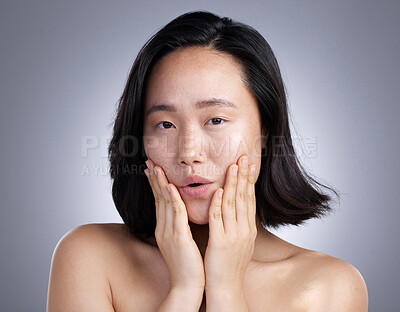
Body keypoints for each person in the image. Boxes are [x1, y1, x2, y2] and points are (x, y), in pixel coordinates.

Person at [46, 10, 368, 311]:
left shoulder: (330, 287)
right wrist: (184, 290)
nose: (189, 154)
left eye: (215, 120)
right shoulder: (88, 258)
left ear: (265, 131)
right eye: (166, 124)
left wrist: (226, 289)